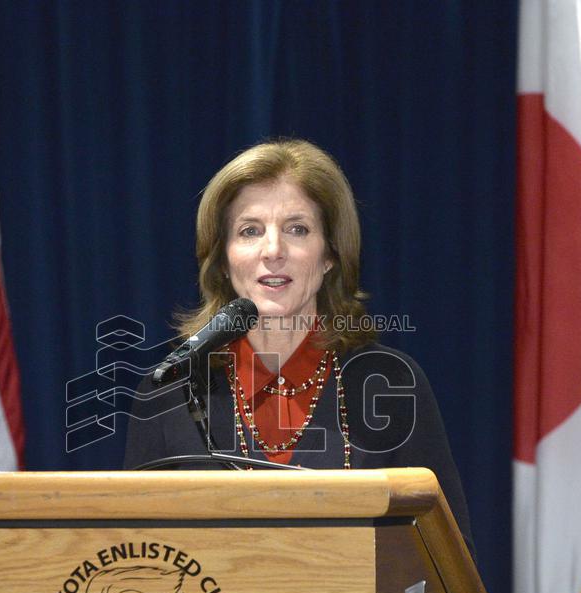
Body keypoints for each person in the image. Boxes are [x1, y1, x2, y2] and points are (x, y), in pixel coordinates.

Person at [123, 139, 473, 553]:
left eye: (297, 229)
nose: (273, 251)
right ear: (222, 258)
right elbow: (136, 556)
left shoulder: (390, 385)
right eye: (250, 231)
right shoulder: (171, 391)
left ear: (329, 255)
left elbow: (449, 564)